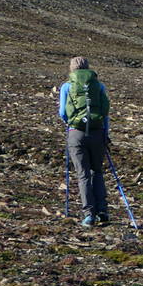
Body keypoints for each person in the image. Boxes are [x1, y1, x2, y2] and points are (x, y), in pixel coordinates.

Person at [59, 56, 110, 227]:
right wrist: (105, 133)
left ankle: (89, 215)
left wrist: (71, 124)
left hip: (76, 134)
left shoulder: (67, 86)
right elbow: (105, 112)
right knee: (98, 171)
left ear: (72, 69)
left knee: (83, 174)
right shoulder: (99, 86)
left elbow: (62, 113)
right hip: (97, 133)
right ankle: (103, 211)